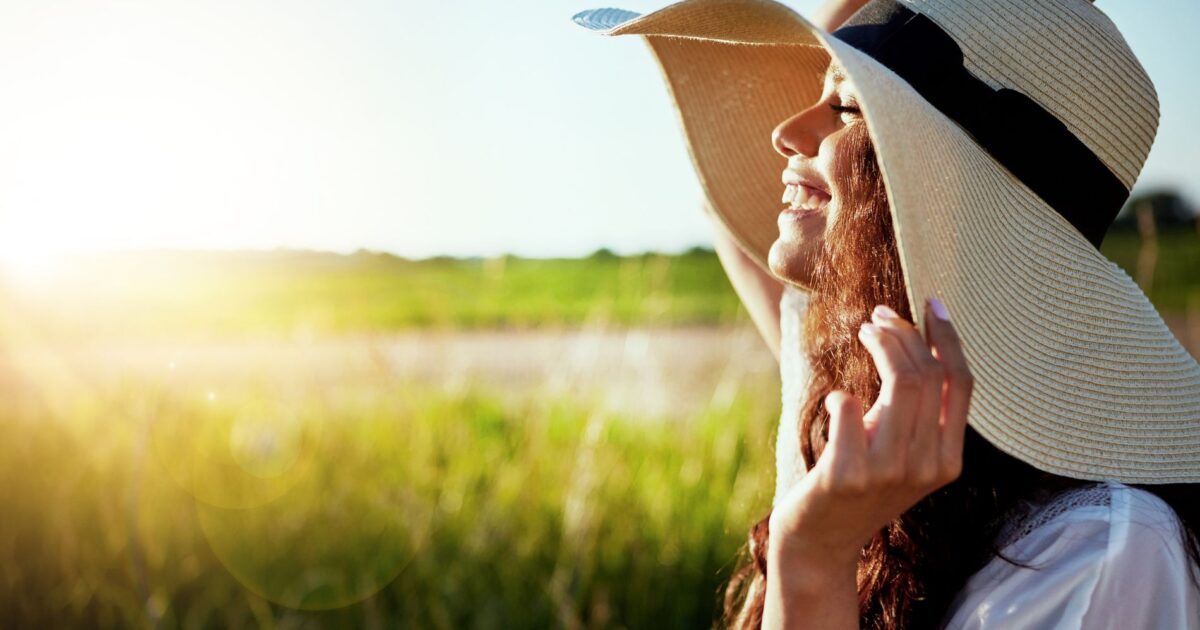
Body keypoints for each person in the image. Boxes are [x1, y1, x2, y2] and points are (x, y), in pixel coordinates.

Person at [573, 0, 1200, 628]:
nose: (784, 132)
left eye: (845, 107)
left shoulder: (1102, 556)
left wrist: (812, 557)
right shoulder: (851, 374)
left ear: (946, 182)